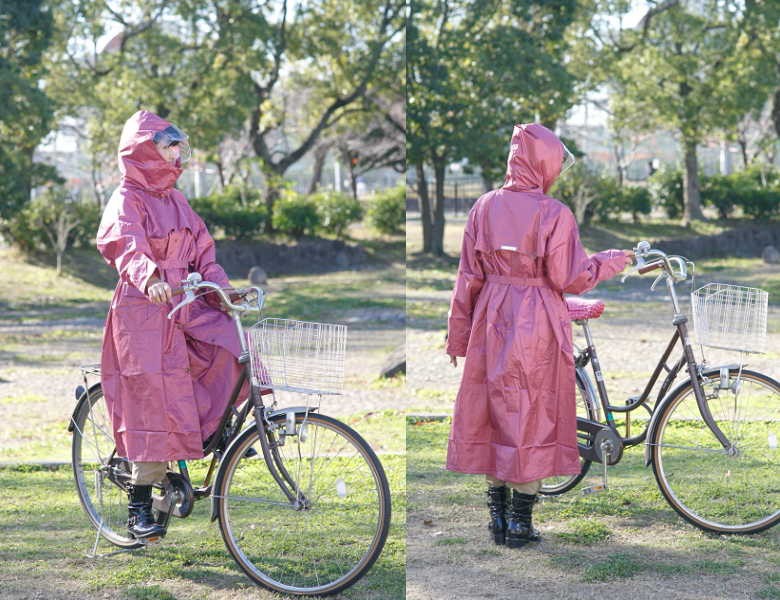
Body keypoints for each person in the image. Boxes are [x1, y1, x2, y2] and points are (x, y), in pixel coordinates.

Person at [445, 123, 634, 549]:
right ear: (545, 164)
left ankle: (496, 517)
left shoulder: (483, 207)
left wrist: (458, 337)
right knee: (533, 414)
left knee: (493, 413)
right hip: (536, 321)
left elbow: (467, 279)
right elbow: (571, 275)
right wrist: (612, 260)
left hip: (490, 317)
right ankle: (519, 523)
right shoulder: (554, 214)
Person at [96, 110, 246, 539]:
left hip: (186, 301)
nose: (178, 152)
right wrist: (151, 277)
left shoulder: (178, 199)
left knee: (230, 343)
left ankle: (207, 434)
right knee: (151, 402)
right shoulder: (128, 197)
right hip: (143, 310)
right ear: (146, 148)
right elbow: (124, 245)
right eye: (169, 144)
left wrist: (224, 291)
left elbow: (204, 255)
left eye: (180, 144)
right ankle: (138, 506)